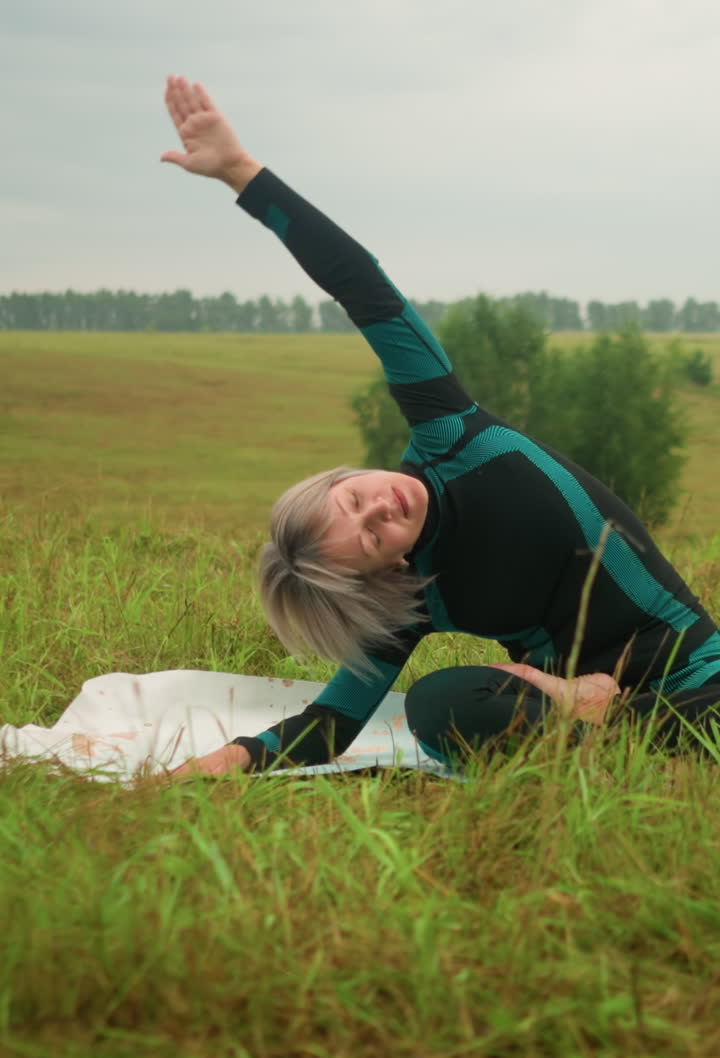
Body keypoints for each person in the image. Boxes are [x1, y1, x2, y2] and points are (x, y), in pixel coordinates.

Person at [162, 76, 720, 778]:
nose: (379, 509)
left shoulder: (449, 432)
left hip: (697, 676)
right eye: (371, 537)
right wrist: (217, 763)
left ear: (343, 477)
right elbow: (331, 727)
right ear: (386, 569)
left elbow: (360, 285)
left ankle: (614, 727)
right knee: (436, 706)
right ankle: (610, 729)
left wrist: (241, 174)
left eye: (353, 498)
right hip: (560, 701)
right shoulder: (415, 599)